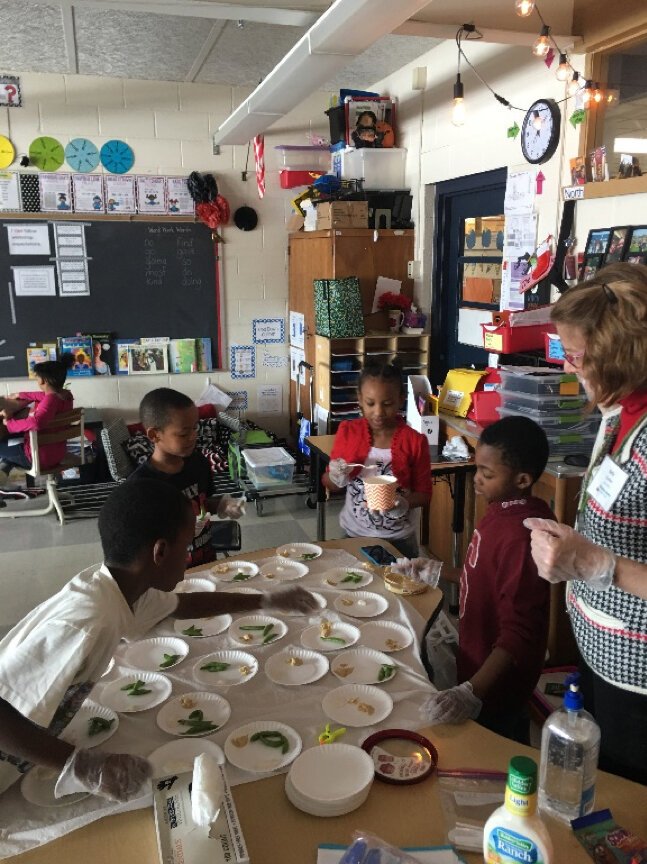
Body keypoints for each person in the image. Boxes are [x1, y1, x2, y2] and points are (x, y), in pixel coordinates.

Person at [0, 479, 316, 801]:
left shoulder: (122, 589)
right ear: (160, 551)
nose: (188, 557)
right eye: (187, 546)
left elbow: (183, 605)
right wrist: (84, 767)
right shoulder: (88, 622)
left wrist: (265, 600)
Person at [525, 262, 647, 784]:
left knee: (628, 802)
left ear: (619, 355)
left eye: (575, 356)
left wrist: (599, 564)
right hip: (600, 653)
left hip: (637, 680)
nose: (569, 367)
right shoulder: (620, 411)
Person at [415, 416, 554, 743]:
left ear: (522, 480)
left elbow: (519, 632)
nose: (477, 479)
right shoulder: (501, 509)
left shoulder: (523, 537)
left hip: (498, 683)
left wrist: (471, 691)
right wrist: (439, 572)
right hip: (477, 660)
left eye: (487, 474)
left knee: (499, 750)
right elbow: (485, 579)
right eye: (477, 468)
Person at [322, 362, 431, 558]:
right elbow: (330, 484)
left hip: (399, 540)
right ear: (360, 399)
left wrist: (403, 503)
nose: (379, 412)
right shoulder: (348, 432)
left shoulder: (415, 441)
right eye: (370, 403)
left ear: (400, 399)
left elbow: (424, 494)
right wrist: (336, 476)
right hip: (354, 535)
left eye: (387, 404)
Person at [129, 388, 246, 567]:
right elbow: (140, 541)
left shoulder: (199, 463)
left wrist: (223, 505)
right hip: (169, 571)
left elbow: (203, 502)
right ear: (154, 435)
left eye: (195, 428)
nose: (193, 437)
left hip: (206, 559)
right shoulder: (141, 486)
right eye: (183, 434)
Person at [0, 356, 74, 480]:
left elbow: (36, 422)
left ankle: (5, 468)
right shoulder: (65, 396)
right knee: (12, 443)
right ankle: (5, 468)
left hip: (39, 457)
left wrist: (9, 423)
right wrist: (20, 394)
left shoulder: (51, 399)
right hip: (57, 453)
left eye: (37, 377)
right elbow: (43, 396)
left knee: (4, 444)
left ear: (43, 381)